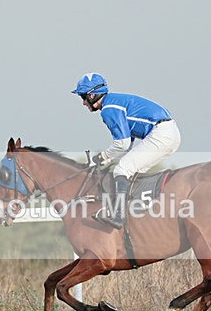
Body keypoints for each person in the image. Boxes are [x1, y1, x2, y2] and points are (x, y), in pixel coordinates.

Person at [71, 72, 181, 229]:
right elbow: (127, 144)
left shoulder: (108, 109)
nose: (83, 103)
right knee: (132, 172)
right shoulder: (114, 102)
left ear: (93, 95)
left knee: (122, 168)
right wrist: (107, 159)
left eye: (83, 97)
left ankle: (119, 216)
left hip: (161, 133)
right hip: (170, 133)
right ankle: (138, 213)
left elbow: (122, 143)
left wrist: (101, 157)